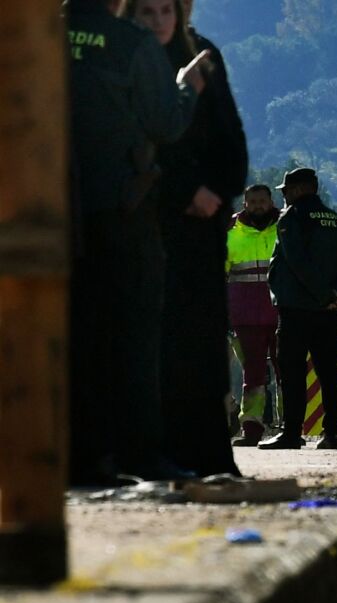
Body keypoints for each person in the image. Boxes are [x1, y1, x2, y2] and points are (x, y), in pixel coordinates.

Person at [66, 0, 207, 485]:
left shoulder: (39, 38)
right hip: (121, 209)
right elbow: (164, 123)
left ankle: (79, 458)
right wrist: (186, 89)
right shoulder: (131, 43)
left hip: (50, 211)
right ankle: (138, 453)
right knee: (132, 335)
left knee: (70, 333)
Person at [126, 0, 248, 476]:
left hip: (203, 226)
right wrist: (183, 191)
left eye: (165, 12)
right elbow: (140, 140)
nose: (158, 23)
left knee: (203, 340)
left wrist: (218, 190)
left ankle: (211, 451)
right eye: (146, 13)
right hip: (154, 219)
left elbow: (230, 138)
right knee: (159, 340)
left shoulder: (205, 55)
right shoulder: (131, 58)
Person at [259, 168, 337, 450]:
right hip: (327, 312)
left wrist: (320, 294)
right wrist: (334, 294)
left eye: (285, 191)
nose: (283, 197)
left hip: (296, 310)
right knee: (329, 373)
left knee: (292, 373)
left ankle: (292, 433)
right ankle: (332, 434)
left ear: (298, 190)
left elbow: (296, 261)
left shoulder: (292, 219)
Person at [226, 185, 279, 446]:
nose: (258, 205)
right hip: (245, 315)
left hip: (282, 312)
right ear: (245, 204)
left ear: (271, 202)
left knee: (288, 373)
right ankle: (252, 428)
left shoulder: (285, 226)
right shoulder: (231, 232)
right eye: (253, 201)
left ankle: (292, 427)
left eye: (262, 201)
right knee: (253, 375)